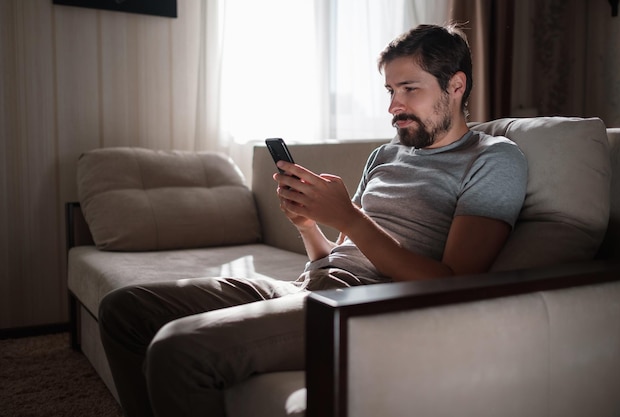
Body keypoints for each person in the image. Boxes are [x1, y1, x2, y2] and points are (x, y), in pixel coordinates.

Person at [99, 23, 528, 417]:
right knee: (124, 309)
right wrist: (308, 224)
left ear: (456, 85)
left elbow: (453, 285)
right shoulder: (387, 154)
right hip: (314, 286)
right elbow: (341, 256)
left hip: (371, 308)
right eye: (389, 90)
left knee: (179, 349)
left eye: (409, 89)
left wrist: (350, 216)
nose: (394, 105)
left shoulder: (493, 159)